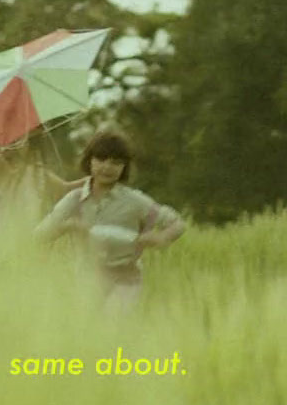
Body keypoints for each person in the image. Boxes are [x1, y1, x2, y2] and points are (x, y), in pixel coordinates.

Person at [34, 131, 186, 311]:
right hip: (86, 277)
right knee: (88, 329)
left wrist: (163, 237)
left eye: (116, 162)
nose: (107, 167)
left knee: (114, 324)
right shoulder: (74, 200)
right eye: (101, 159)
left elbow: (177, 223)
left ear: (124, 167)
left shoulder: (134, 201)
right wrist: (68, 226)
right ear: (89, 161)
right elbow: (39, 236)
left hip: (126, 278)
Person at [0, 136, 81, 236]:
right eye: (9, 142)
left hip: (26, 232)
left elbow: (65, 188)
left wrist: (92, 178)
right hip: (2, 232)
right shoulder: (1, 164)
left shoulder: (37, 171)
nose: (12, 145)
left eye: (19, 140)